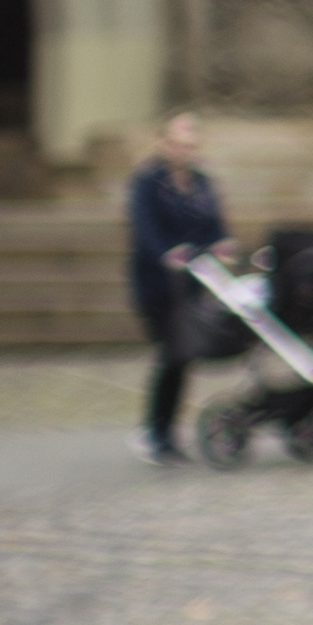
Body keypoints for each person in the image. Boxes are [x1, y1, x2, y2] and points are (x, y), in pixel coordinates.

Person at [125, 115, 227, 468]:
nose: (184, 150)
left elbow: (214, 224)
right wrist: (166, 254)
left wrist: (220, 245)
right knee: (174, 354)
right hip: (158, 285)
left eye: (190, 145)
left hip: (193, 283)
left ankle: (165, 430)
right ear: (163, 144)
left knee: (183, 358)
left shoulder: (202, 184)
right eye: (177, 143)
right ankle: (156, 431)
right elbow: (144, 227)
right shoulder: (148, 183)